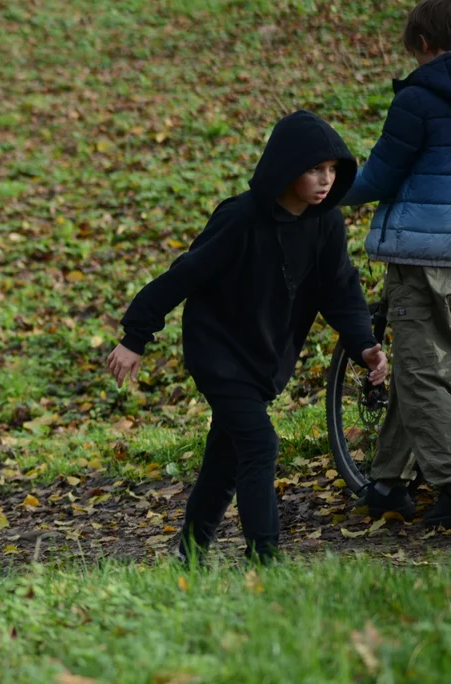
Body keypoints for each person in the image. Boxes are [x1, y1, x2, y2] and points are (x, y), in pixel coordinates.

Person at [106, 111, 387, 563]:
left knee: (225, 459)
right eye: (315, 169)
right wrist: (135, 336)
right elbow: (185, 275)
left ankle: (190, 554)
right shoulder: (240, 218)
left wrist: (364, 345)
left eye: (333, 170)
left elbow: (340, 290)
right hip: (217, 351)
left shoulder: (326, 224)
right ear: (287, 165)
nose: (325, 180)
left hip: (264, 358)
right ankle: (265, 559)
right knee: (259, 443)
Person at [339, 0, 451, 526]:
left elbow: (380, 177)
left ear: (425, 44)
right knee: (419, 364)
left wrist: (317, 190)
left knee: (420, 370)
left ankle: (450, 485)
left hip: (422, 257)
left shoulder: (419, 97)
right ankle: (387, 481)